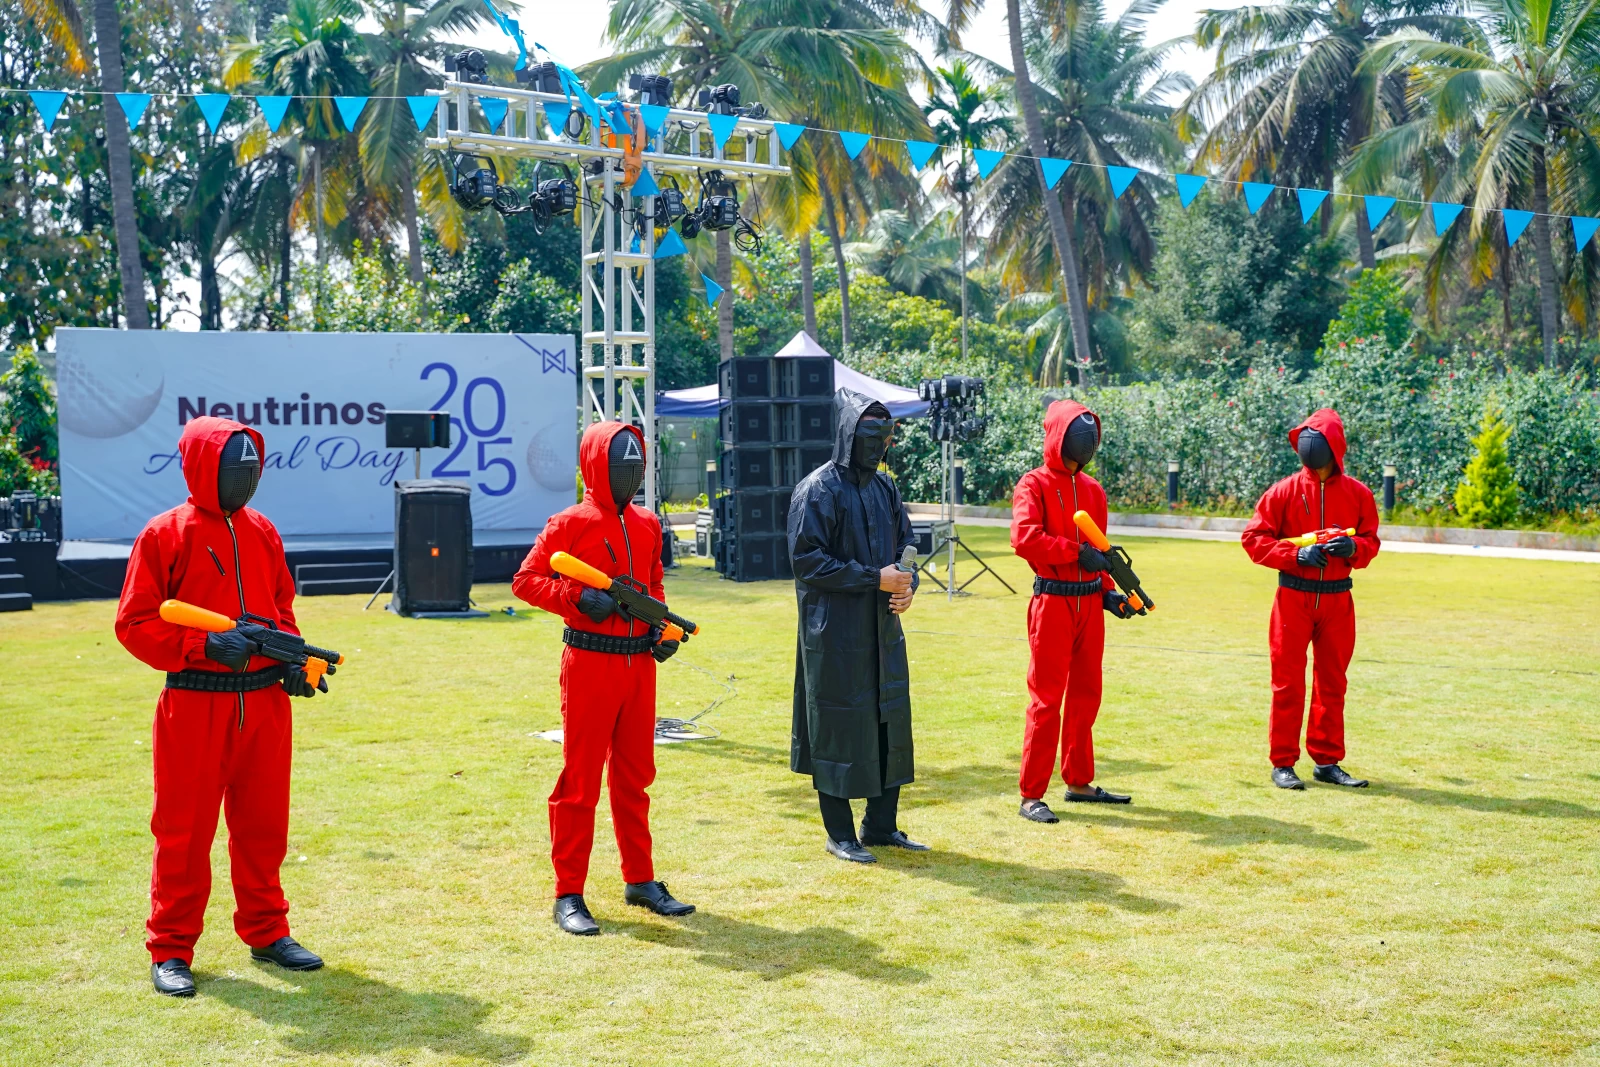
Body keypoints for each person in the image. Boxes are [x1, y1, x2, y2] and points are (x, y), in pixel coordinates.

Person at [115, 417, 328, 998]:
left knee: (263, 829)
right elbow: (133, 624)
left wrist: (293, 665)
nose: (250, 477)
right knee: (183, 834)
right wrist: (202, 644)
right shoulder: (165, 534)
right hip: (194, 706)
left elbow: (282, 613)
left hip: (263, 709)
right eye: (238, 466)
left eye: (255, 465)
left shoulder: (263, 530)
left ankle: (267, 932)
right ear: (203, 468)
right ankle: (171, 949)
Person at [512, 421, 694, 935]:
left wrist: (662, 631)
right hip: (590, 665)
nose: (629, 474)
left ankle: (640, 879)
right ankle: (568, 892)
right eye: (620, 465)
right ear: (596, 466)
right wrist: (572, 598)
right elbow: (525, 580)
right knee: (580, 781)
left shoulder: (648, 525)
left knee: (635, 778)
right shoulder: (567, 522)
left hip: (639, 667)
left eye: (636, 465)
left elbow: (654, 585)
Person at [787, 389, 927, 863]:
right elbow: (807, 561)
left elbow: (905, 544)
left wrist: (907, 585)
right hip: (835, 633)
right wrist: (874, 578)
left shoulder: (886, 488)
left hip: (883, 630)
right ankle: (840, 833)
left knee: (888, 722)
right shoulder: (818, 489)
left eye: (885, 436)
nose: (878, 444)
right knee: (839, 727)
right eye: (869, 433)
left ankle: (881, 825)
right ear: (848, 433)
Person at [1010, 400, 1141, 823]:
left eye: (1091, 432)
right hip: (1052, 602)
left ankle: (1079, 782)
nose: (1088, 440)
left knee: (1086, 695)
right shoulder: (1033, 484)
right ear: (1058, 435)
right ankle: (1032, 794)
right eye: (1078, 431)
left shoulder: (1094, 490)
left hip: (1089, 603)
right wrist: (1073, 553)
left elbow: (1101, 553)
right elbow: (1025, 539)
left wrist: (1110, 593)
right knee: (1046, 700)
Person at [1241, 408, 1381, 790]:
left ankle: (1327, 760)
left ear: (1335, 449)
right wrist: (1295, 555)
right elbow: (1253, 540)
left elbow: (1371, 544)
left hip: (1337, 600)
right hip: (1293, 597)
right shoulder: (1283, 491)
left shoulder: (1358, 494)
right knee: (1287, 683)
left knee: (1332, 681)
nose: (1309, 450)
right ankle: (1283, 763)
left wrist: (1352, 546)